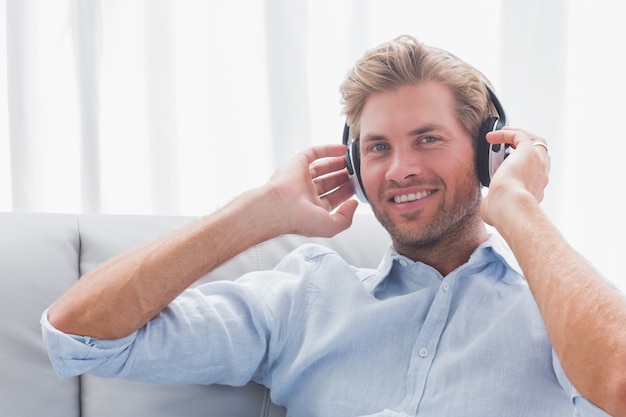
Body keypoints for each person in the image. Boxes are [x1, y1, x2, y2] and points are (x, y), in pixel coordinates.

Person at [41, 35, 626, 417]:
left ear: (485, 153)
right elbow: (77, 335)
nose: (401, 169)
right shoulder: (304, 298)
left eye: (427, 139)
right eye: (377, 148)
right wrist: (258, 211)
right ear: (353, 165)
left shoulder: (554, 313)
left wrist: (517, 203)